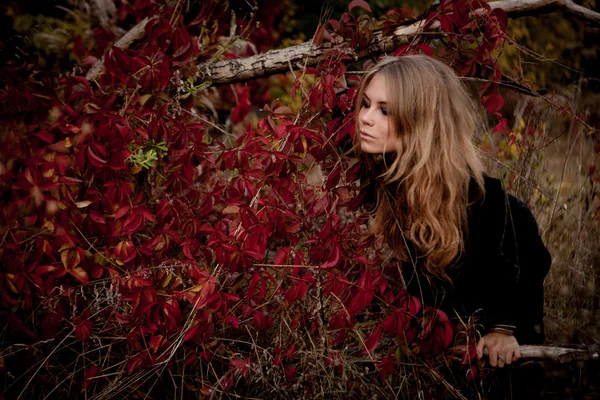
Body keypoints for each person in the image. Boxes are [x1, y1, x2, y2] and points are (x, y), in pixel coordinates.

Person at [354, 55, 552, 370]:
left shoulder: (483, 201)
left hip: (500, 367)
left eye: (385, 110)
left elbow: (532, 263)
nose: (365, 118)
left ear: (422, 120)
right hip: (441, 360)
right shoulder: (394, 181)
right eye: (366, 104)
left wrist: (503, 327)